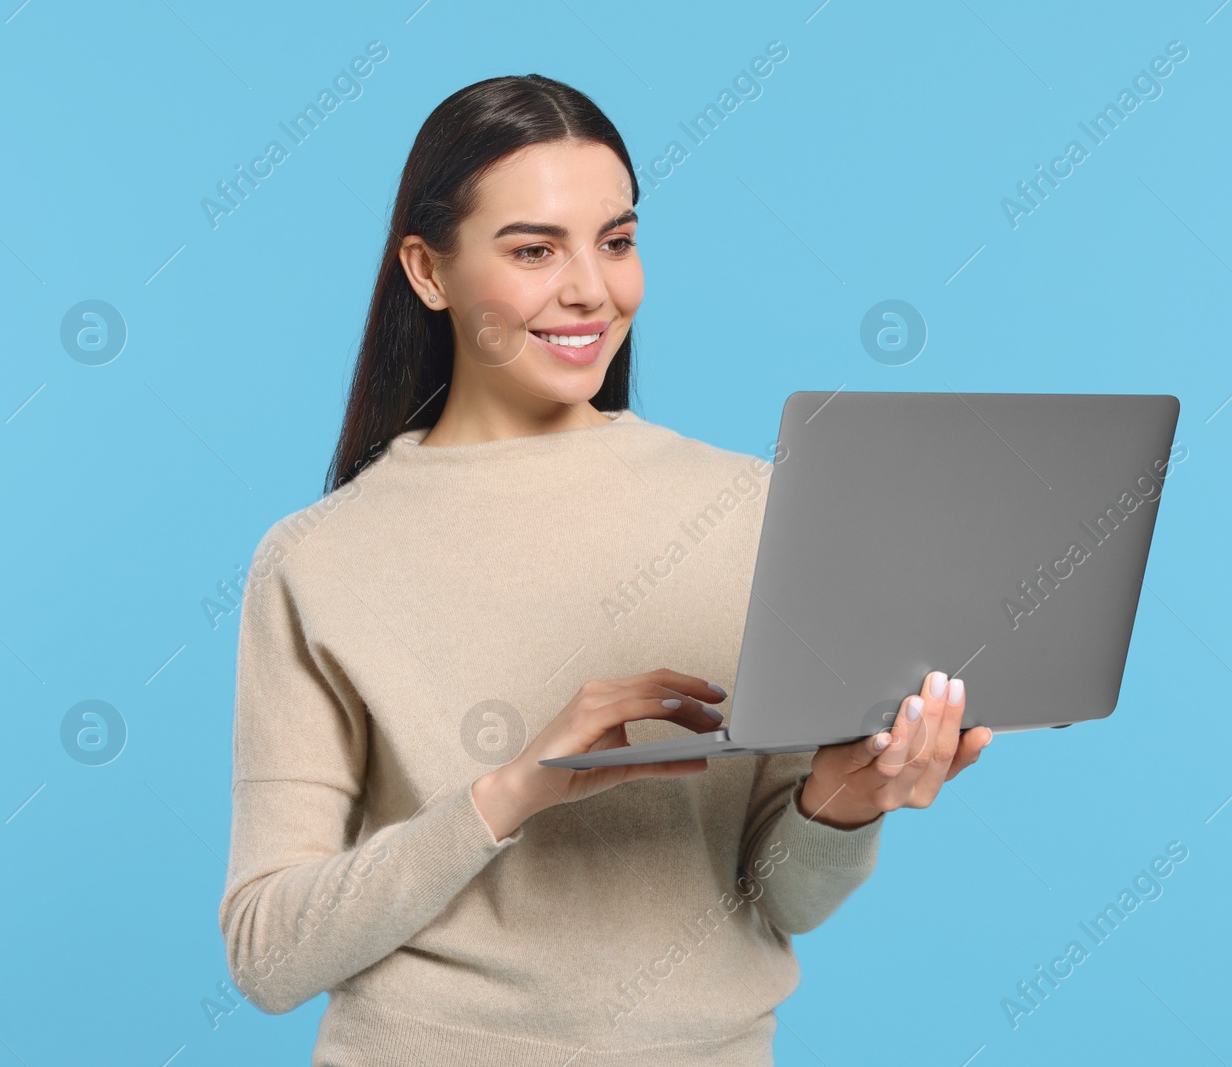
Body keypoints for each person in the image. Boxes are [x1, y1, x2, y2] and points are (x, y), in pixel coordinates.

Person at [218, 73, 992, 1067]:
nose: (591, 288)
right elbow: (269, 954)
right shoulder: (316, 559)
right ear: (427, 269)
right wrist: (512, 792)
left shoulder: (758, 511)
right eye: (534, 249)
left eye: (616, 242)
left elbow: (784, 898)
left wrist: (843, 797)